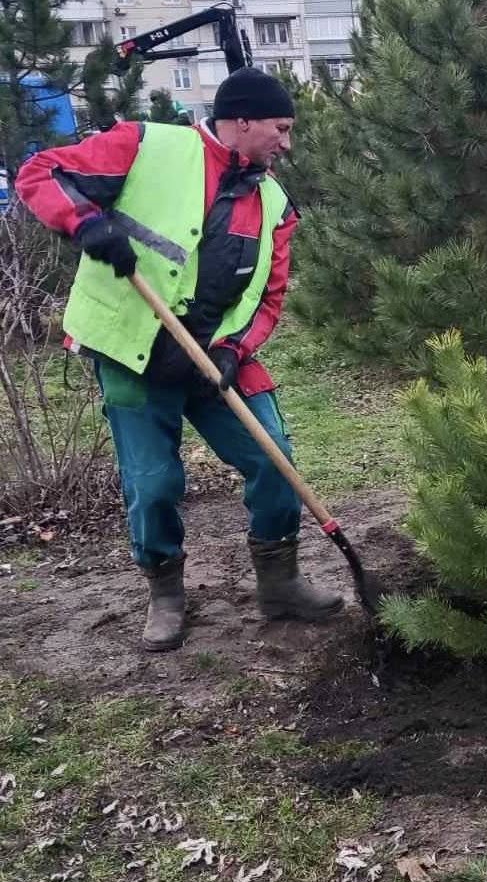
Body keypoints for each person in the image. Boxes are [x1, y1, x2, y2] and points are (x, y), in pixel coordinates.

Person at [16, 68, 343, 652]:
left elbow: (268, 297)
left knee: (273, 459)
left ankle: (281, 582)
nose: (287, 143)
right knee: (154, 482)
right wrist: (87, 224)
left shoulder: (274, 205)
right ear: (242, 120)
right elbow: (40, 173)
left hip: (213, 356)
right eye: (281, 128)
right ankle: (165, 594)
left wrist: (233, 349)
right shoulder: (146, 146)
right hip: (133, 350)